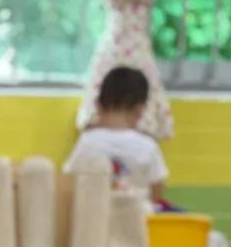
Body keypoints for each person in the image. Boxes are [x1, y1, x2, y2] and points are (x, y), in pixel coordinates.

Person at [65, 66, 168, 206]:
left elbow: (69, 179)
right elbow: (157, 190)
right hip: (137, 221)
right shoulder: (148, 146)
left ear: (98, 104)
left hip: (95, 219)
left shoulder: (87, 141)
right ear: (140, 109)